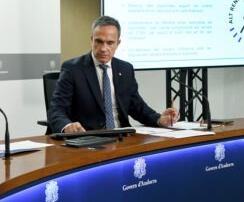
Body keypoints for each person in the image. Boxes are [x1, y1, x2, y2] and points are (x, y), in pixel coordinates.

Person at [48, 15, 178, 133]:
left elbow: (137, 107)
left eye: (110, 43)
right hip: (89, 138)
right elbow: (56, 110)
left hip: (122, 136)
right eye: (99, 41)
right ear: (91, 39)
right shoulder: (73, 69)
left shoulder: (125, 68)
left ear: (118, 43)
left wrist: (160, 119)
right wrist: (67, 126)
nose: (104, 48)